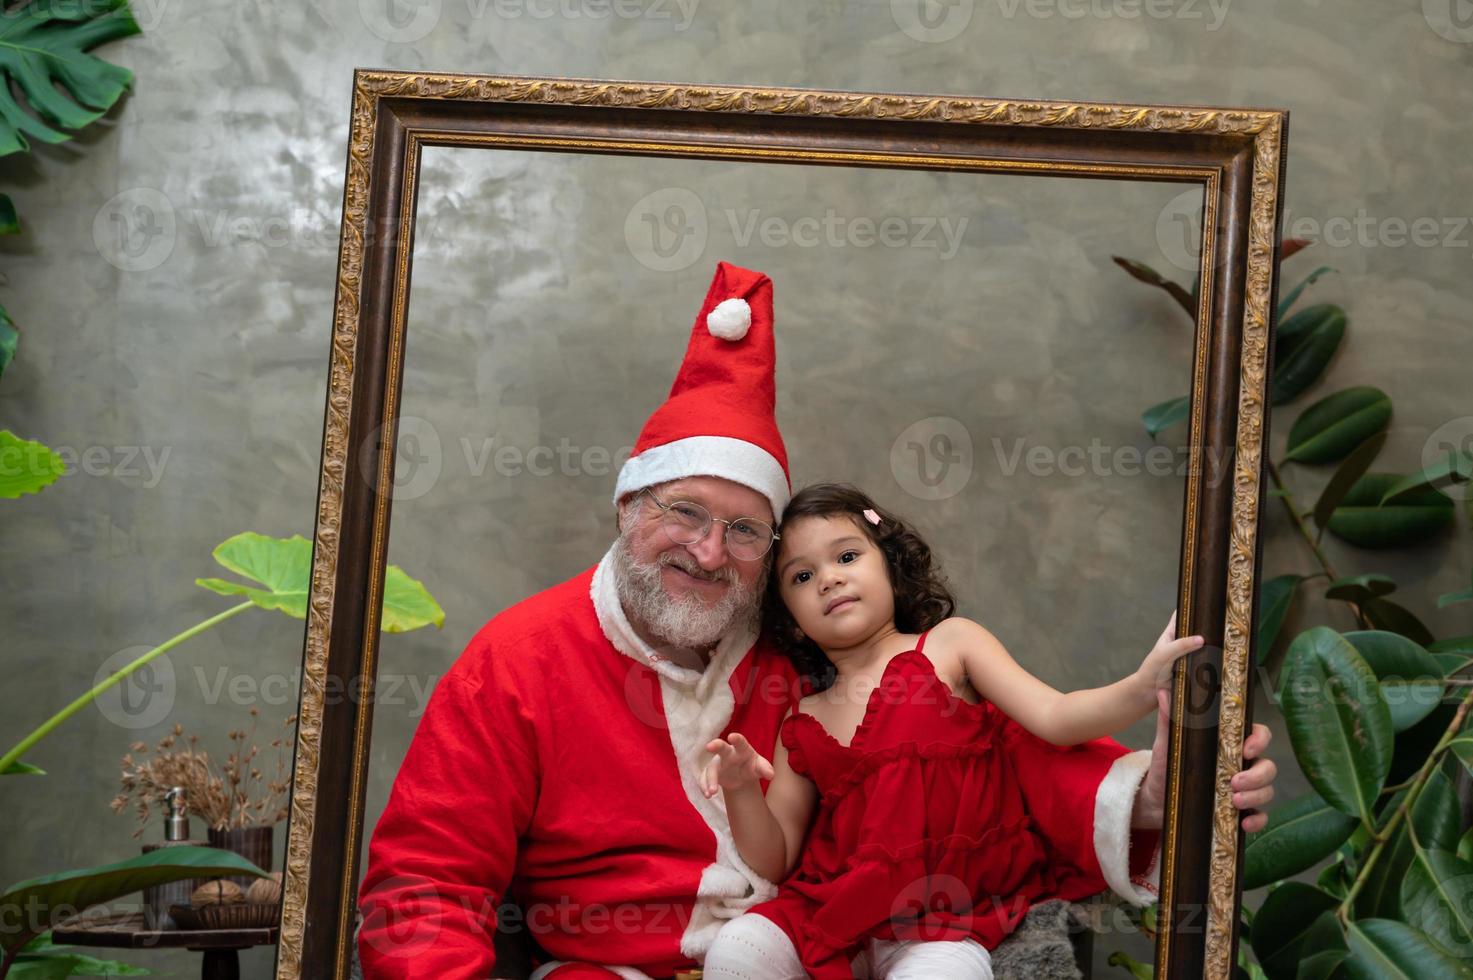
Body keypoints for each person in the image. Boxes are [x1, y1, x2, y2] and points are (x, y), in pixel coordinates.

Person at [355, 261, 1278, 980]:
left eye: (744, 529)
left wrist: (1152, 797)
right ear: (626, 507)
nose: (708, 553)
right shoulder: (515, 660)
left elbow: (992, 752)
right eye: (681, 512)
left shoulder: (813, 643)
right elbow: (427, 883)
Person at [699, 484, 1205, 979]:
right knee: (737, 949)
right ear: (789, 619)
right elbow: (778, 858)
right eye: (803, 576)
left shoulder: (949, 646)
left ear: (890, 565)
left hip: (942, 920)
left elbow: (1057, 717)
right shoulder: (802, 719)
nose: (828, 579)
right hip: (834, 914)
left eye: (847, 557)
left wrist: (1142, 686)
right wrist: (742, 788)